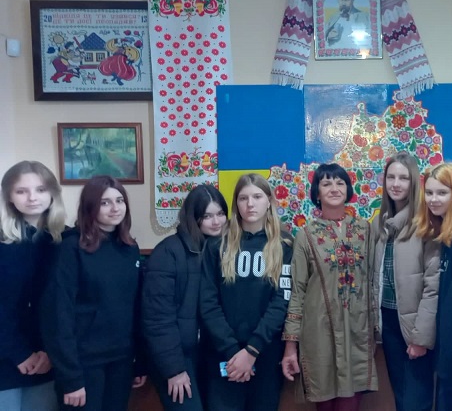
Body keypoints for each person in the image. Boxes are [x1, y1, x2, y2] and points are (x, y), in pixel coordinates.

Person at [42, 175, 146, 411]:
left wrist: (140, 361)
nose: (115, 208)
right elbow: (58, 315)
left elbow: (135, 308)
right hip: (83, 363)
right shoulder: (71, 248)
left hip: (121, 360)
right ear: (90, 207)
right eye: (105, 202)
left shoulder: (129, 248)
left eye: (119, 200)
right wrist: (71, 377)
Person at [281, 163, 377, 411]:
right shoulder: (306, 235)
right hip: (319, 334)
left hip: (357, 331)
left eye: (340, 182)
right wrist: (290, 345)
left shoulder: (365, 230)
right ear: (317, 192)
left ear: (348, 189)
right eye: (326, 183)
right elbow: (297, 292)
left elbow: (373, 281)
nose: (334, 188)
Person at [199, 174, 293, 411]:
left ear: (269, 201)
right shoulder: (217, 245)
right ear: (236, 204)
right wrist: (233, 352)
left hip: (265, 353)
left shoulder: (285, 245)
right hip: (225, 355)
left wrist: (252, 350)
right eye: (243, 198)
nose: (250, 204)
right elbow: (208, 303)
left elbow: (281, 301)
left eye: (257, 197)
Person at [142, 184, 229, 410]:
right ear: (193, 217)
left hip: (210, 354)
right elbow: (157, 319)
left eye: (220, 214)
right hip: (176, 356)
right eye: (207, 216)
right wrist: (174, 369)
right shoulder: (168, 252)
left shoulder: (224, 250)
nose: (216, 222)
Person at [371, 152, 438, 411]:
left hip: (415, 327)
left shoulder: (425, 222)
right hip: (388, 322)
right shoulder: (381, 224)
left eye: (403, 178)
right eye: (391, 177)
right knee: (400, 398)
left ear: (414, 182)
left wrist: (420, 337)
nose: (396, 184)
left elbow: (433, 286)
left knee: (416, 402)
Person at [0, 161, 66, 411]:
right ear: (9, 196)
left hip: (46, 359)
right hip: (6, 356)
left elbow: (61, 305)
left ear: (52, 193)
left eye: (40, 189)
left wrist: (48, 351)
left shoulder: (64, 240)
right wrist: (19, 353)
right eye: (21, 191)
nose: (32, 198)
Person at [413, 162, 452, 411]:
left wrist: (449, 356)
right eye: (429, 193)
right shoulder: (445, 234)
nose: (433, 199)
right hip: (448, 349)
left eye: (442, 193)